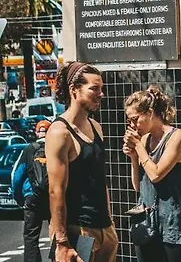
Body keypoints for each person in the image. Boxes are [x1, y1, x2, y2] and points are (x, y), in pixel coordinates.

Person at [45, 62, 118, 262]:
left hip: (104, 229)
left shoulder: (96, 127)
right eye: (94, 88)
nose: (101, 94)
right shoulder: (60, 132)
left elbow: (99, 179)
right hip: (78, 231)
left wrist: (110, 224)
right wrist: (61, 241)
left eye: (101, 88)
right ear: (74, 90)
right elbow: (56, 191)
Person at [123, 85, 181, 262]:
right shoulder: (144, 139)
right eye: (129, 121)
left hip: (171, 222)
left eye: (135, 119)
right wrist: (133, 157)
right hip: (146, 221)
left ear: (150, 113)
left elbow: (156, 175)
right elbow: (138, 186)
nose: (132, 125)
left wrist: (138, 147)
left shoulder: (177, 137)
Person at [12, 119, 52, 262]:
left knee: (31, 237)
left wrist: (19, 199)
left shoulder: (29, 149)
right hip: (53, 197)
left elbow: (17, 177)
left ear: (36, 133)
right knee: (57, 234)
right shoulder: (55, 147)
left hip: (32, 197)